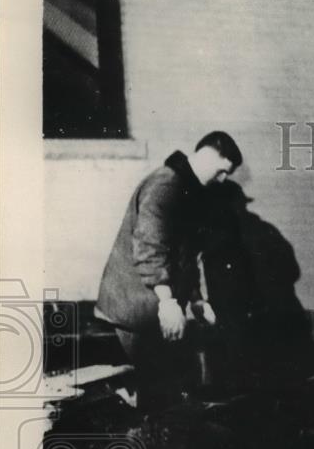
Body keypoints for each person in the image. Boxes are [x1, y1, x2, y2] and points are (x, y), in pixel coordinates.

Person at [95, 131, 243, 411]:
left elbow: (187, 255)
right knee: (157, 394)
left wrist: (197, 300)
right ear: (211, 156)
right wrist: (167, 302)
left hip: (153, 306)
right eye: (223, 171)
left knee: (168, 390)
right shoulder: (165, 184)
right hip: (136, 310)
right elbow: (150, 248)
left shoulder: (188, 190)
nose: (223, 180)